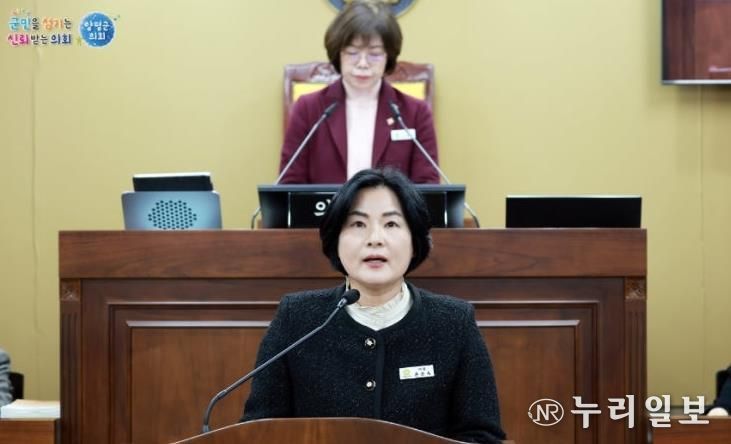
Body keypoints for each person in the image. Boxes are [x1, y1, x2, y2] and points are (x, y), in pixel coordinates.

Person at [243, 168, 505, 444]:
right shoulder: (296, 319)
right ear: (335, 239)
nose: (375, 238)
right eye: (358, 224)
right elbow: (258, 433)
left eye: (391, 224)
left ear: (414, 242)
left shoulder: (454, 322)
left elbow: (483, 436)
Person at [279, 0, 440, 184]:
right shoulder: (308, 109)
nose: (363, 63)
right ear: (338, 53)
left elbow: (428, 186)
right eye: (352, 52)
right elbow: (289, 184)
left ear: (388, 56)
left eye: (375, 54)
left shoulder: (415, 113)